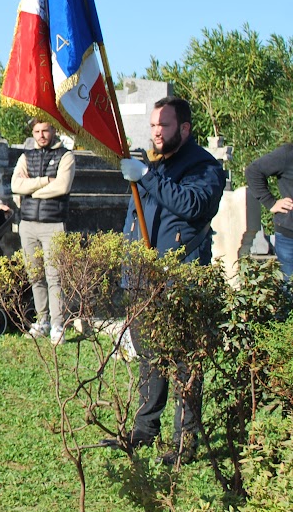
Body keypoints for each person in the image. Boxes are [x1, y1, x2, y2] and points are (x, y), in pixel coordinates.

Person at [116, 96, 225, 466]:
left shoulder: (205, 167)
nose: (156, 132)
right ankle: (145, 431)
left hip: (181, 278)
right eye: (153, 125)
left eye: (163, 125)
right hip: (143, 278)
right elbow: (134, 219)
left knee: (184, 364)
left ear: (185, 128)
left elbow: (194, 205)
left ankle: (184, 442)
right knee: (149, 358)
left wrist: (147, 177)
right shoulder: (151, 165)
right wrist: (127, 268)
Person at [11, 118, 75, 345]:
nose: (41, 135)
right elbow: (15, 185)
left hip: (53, 223)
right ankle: (42, 319)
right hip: (27, 223)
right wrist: (45, 181)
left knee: (54, 275)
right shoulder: (26, 156)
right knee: (35, 275)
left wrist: (33, 190)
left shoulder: (65, 156)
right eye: (37, 131)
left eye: (45, 130)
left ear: (53, 130)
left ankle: (58, 324)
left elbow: (62, 186)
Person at [245, 143, 293, 280]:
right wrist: (270, 202)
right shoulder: (288, 154)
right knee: (289, 291)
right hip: (289, 235)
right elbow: (253, 171)